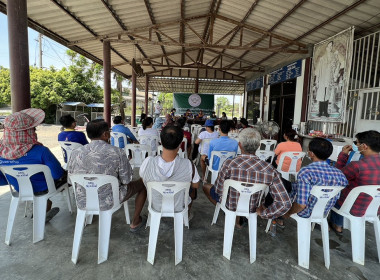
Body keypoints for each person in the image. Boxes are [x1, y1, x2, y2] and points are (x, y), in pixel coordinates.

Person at [67, 120, 147, 232]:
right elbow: (126, 180)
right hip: (109, 200)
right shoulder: (117, 152)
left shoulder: (76, 152)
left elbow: (70, 181)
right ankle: (135, 222)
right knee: (143, 184)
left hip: (83, 200)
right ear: (105, 134)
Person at [203, 128, 291, 228]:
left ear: (240, 145)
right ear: (258, 146)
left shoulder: (229, 164)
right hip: (253, 207)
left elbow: (218, 190)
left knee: (206, 187)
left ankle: (233, 215)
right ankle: (239, 216)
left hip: (231, 204)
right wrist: (264, 213)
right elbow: (285, 203)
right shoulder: (269, 169)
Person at [0, 109, 66, 221]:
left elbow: (2, 181)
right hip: (44, 188)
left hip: (19, 188)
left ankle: (40, 205)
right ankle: (43, 205)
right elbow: (57, 174)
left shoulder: (1, 152)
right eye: (33, 129)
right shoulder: (41, 151)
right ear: (28, 132)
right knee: (65, 177)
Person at [139, 125, 200, 218]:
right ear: (180, 144)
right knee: (192, 188)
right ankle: (186, 214)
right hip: (179, 206)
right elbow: (196, 185)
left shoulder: (148, 162)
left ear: (160, 141)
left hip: (156, 206)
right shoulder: (188, 165)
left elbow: (144, 181)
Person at [283, 138, 347, 224]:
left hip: (305, 213)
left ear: (311, 154)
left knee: (283, 186)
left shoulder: (306, 172)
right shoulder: (339, 174)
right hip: (323, 212)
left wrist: (288, 213)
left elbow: (301, 205)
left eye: (308, 150)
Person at [329, 130, 380, 234]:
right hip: (375, 208)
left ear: (364, 146)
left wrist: (343, 155)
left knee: (335, 193)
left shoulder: (357, 165)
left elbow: (337, 178)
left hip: (354, 207)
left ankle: (337, 225)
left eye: (357, 143)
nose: (356, 145)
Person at [314, 41, 341, 117]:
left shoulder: (333, 56)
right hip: (323, 78)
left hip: (329, 78)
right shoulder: (322, 58)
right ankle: (320, 111)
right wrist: (317, 80)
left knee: (327, 96)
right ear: (326, 48)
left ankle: (325, 112)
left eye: (331, 46)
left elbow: (337, 65)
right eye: (329, 46)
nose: (330, 47)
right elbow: (318, 69)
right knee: (322, 95)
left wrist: (335, 58)